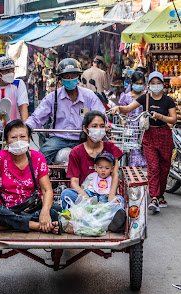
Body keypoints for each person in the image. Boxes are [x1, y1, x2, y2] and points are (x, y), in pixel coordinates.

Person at [0, 119, 61, 234]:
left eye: (23, 136)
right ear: (6, 142)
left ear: (29, 139)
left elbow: (47, 190)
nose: (18, 141)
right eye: (14, 137)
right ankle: (35, 225)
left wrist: (44, 211)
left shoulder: (37, 158)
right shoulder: (0, 157)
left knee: (54, 212)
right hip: (5, 209)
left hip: (30, 207)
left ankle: (5, 226)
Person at [111, 71, 177, 212]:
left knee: (164, 168)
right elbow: (128, 108)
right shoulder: (144, 98)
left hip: (165, 135)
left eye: (158, 83)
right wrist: (118, 108)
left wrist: (160, 116)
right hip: (149, 135)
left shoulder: (168, 100)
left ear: (162, 84)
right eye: (152, 83)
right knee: (153, 168)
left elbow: (173, 119)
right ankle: (153, 197)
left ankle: (160, 194)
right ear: (149, 85)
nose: (155, 86)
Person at [26, 58, 106, 164]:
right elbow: (37, 117)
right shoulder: (53, 97)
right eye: (66, 77)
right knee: (38, 160)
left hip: (82, 138)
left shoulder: (89, 96)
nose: (70, 79)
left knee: (101, 160)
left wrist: (103, 127)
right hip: (58, 138)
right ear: (61, 79)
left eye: (73, 76)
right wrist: (25, 128)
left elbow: (101, 115)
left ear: (78, 76)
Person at [61, 111, 126, 232]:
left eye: (102, 126)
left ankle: (88, 221)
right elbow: (74, 182)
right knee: (66, 194)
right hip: (86, 197)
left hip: (105, 197)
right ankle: (102, 221)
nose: (99, 129)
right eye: (94, 126)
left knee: (119, 201)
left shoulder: (111, 148)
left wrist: (112, 195)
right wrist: (83, 195)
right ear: (85, 129)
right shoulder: (76, 152)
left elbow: (115, 174)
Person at [119, 71, 147, 167]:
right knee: (133, 149)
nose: (139, 86)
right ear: (132, 83)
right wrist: (124, 125)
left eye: (141, 84)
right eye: (137, 83)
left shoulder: (147, 96)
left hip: (144, 126)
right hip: (132, 128)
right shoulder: (126, 97)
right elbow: (123, 114)